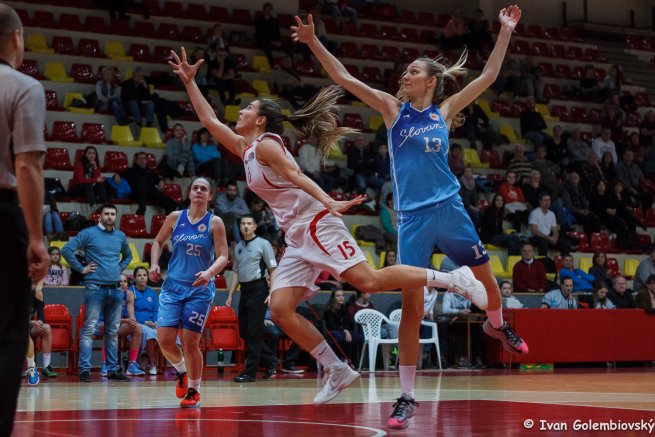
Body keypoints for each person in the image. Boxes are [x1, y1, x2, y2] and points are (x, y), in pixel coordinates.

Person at [169, 48, 489, 412]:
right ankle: (337, 369)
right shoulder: (246, 148)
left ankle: (455, 279)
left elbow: (296, 175)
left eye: (247, 109)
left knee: (368, 280)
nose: (240, 112)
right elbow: (210, 122)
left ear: (260, 121)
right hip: (296, 235)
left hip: (317, 222)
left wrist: (330, 202)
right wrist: (190, 83)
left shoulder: (268, 146)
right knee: (280, 306)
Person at [292, 6, 527, 428]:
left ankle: (497, 326)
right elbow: (344, 78)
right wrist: (313, 42)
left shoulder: (446, 110)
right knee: (412, 306)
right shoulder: (392, 111)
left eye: (412, 71)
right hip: (412, 220)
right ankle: (406, 397)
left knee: (488, 280)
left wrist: (505, 31)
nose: (404, 75)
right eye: (405, 71)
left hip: (450, 209)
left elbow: (488, 76)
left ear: (430, 81)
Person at [0, 5, 50, 433]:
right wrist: (36, 237)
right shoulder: (21, 86)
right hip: (0, 217)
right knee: (7, 331)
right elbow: (28, 166)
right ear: (16, 38)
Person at [148, 177, 229, 408]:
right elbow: (158, 241)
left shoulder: (215, 222)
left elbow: (223, 255)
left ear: (210, 196)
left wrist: (210, 272)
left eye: (204, 189)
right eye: (195, 188)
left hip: (199, 289)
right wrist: (154, 264)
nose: (199, 191)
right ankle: (182, 371)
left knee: (190, 342)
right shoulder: (175, 217)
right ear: (189, 193)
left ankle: (194, 389)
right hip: (173, 287)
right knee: (164, 340)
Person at [61, 203, 133, 383]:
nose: (109, 217)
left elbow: (129, 256)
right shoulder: (89, 233)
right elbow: (66, 249)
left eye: (112, 214)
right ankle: (84, 370)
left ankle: (113, 370)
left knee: (112, 332)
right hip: (94, 288)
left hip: (116, 288)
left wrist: (120, 267)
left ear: (116, 216)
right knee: (89, 330)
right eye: (106, 214)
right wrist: (80, 268)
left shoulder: (120, 236)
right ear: (99, 216)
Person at [225, 214, 279, 382]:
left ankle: (250, 373)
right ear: (240, 227)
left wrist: (272, 291)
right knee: (244, 331)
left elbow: (272, 269)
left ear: (255, 226)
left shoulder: (264, 244)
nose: (246, 226)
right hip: (245, 290)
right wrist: (230, 295)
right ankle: (271, 360)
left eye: (249, 223)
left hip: (259, 288)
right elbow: (235, 272)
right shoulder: (238, 247)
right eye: (243, 224)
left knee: (255, 332)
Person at [95, 273, 145, 378]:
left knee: (138, 328)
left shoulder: (129, 294)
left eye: (125, 281)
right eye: (119, 282)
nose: (122, 284)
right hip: (102, 324)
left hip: (118, 324)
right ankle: (105, 364)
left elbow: (132, 316)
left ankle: (132, 364)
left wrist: (132, 322)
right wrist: (126, 321)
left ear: (128, 284)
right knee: (109, 329)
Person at [121, 151, 179, 215]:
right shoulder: (131, 170)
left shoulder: (149, 171)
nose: (142, 160)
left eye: (144, 158)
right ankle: (142, 207)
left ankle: (175, 207)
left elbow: (157, 179)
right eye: (140, 158)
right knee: (142, 182)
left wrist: (161, 180)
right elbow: (119, 175)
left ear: (146, 161)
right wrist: (116, 176)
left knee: (155, 192)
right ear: (136, 160)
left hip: (150, 193)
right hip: (136, 193)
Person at [128, 268, 160, 375]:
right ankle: (152, 363)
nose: (142, 277)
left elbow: (156, 310)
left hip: (152, 324)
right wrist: (144, 322)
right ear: (134, 278)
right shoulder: (130, 292)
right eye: (139, 275)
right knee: (150, 334)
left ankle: (179, 365)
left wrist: (155, 322)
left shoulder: (151, 292)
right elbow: (130, 312)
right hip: (138, 325)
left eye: (144, 275)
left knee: (171, 335)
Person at [324, 289, 362, 365]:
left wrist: (346, 330)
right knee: (342, 337)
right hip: (332, 330)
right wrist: (345, 331)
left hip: (343, 330)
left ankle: (351, 359)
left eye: (342, 295)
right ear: (333, 298)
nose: (341, 298)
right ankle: (340, 358)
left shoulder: (344, 308)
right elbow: (331, 325)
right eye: (338, 296)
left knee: (358, 336)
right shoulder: (329, 309)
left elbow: (346, 322)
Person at [30, 282, 57, 377]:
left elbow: (41, 317)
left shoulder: (38, 294)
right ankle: (24, 366)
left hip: (30, 327)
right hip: (17, 327)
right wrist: (33, 322)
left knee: (46, 328)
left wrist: (40, 322)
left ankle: (46, 366)